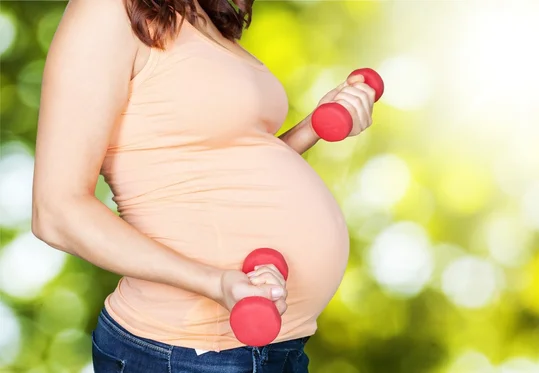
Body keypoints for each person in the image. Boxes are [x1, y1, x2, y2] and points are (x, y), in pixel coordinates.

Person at [31, 0, 376, 371]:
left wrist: (313, 127)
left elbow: (230, 168)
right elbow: (56, 212)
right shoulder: (106, 9)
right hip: (184, 351)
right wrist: (215, 284)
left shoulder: (204, 21)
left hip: (279, 345)